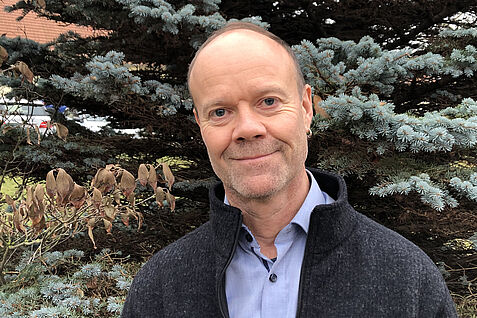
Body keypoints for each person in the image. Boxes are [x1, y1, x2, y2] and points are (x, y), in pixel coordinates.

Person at [121, 22, 457, 318]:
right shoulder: (159, 288)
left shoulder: (406, 277)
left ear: (306, 107)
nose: (247, 128)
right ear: (200, 124)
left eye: (268, 101)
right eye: (220, 111)